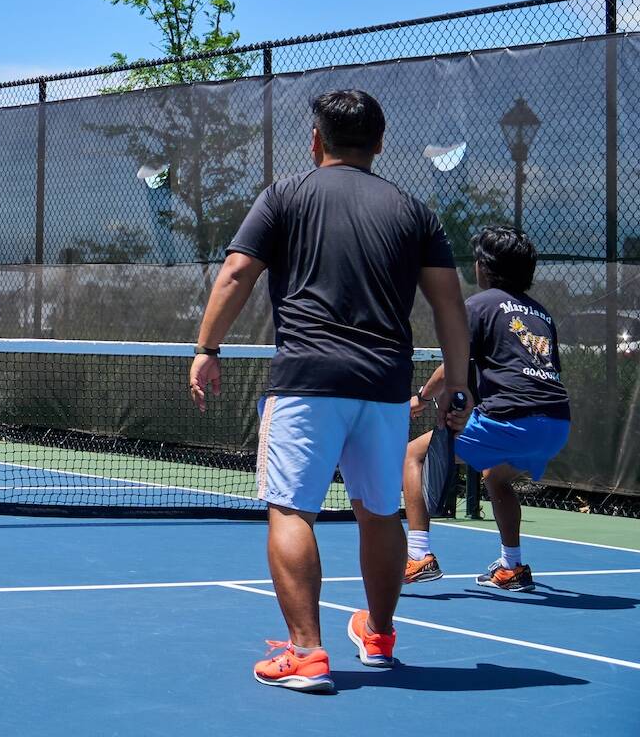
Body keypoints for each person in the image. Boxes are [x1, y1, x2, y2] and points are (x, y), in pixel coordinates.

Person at [189, 90, 471, 694]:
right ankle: (379, 636)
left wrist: (208, 348)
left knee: (292, 510)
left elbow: (237, 272)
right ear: (380, 142)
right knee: (380, 513)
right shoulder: (414, 210)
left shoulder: (284, 195)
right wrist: (459, 380)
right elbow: (449, 300)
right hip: (386, 387)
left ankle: (307, 654)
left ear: (315, 140)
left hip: (307, 383)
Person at [402, 227, 570, 593]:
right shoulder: (541, 314)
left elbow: (452, 365)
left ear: (484, 268)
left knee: (412, 456)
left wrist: (420, 397)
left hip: (511, 419)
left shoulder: (478, 305)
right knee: (497, 476)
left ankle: (418, 555)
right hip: (556, 425)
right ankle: (511, 566)